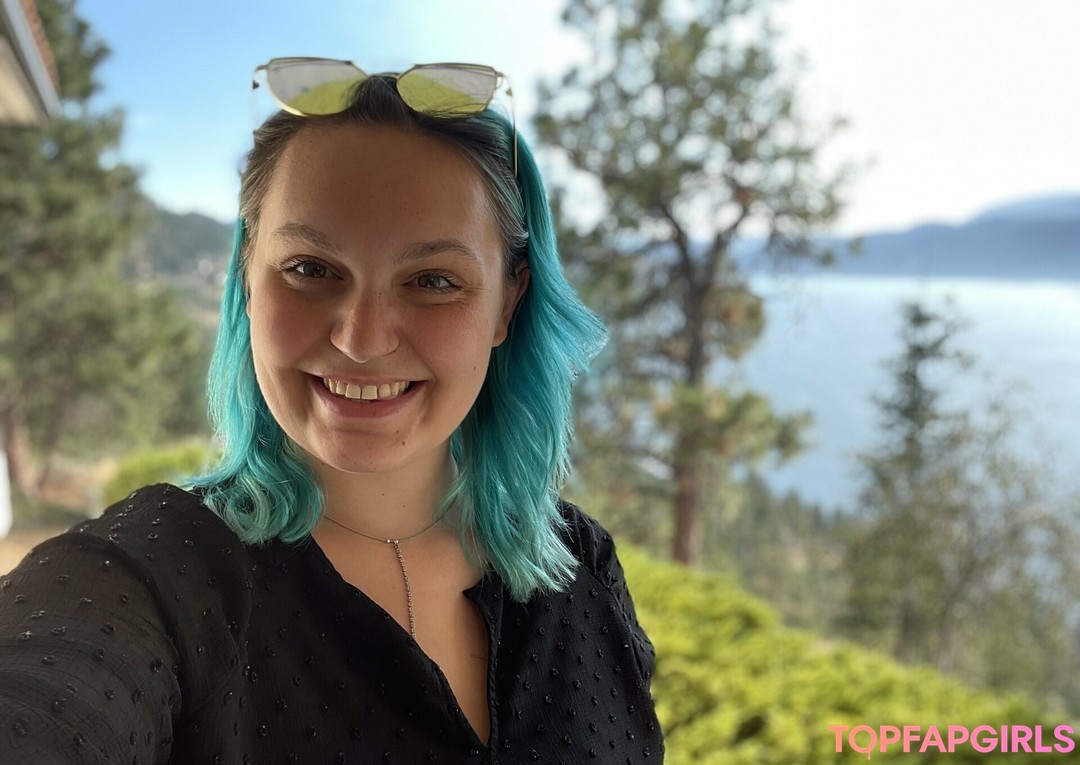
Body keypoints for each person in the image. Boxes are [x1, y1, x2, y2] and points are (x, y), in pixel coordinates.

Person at [0, 59, 663, 763]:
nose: (361, 340)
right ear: (247, 282)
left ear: (508, 302)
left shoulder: (583, 566)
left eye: (433, 280)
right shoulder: (154, 575)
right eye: (310, 269)